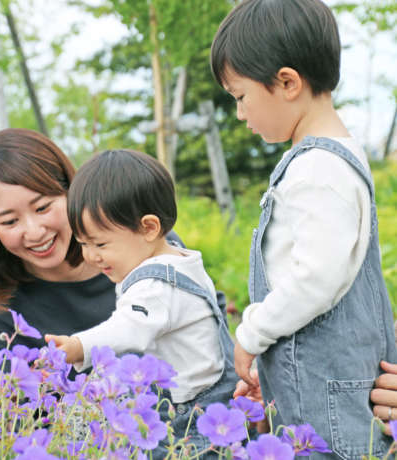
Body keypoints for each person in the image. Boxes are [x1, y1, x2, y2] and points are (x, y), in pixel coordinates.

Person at [210, 0, 397, 456]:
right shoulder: (334, 159)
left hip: (326, 398)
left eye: (240, 96)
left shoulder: (318, 169)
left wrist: (250, 333)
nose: (239, 114)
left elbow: (315, 276)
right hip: (319, 380)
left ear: (288, 82)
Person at [44, 149, 238, 454]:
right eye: (82, 243)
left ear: (149, 228)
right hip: (211, 401)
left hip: (185, 414)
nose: (90, 256)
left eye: (100, 243)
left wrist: (79, 346)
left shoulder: (155, 285)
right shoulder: (177, 258)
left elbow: (129, 328)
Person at [0, 128, 188, 365]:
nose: (35, 232)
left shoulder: (143, 244)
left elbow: (205, 324)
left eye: (42, 208)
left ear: (71, 191)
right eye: (9, 221)